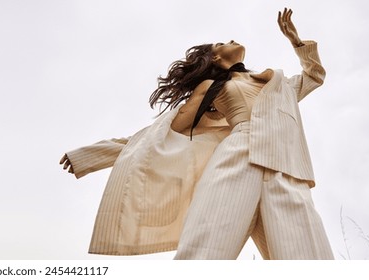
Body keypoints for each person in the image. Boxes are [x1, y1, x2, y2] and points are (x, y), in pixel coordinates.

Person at [60, 8, 333, 259]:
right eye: (221, 43)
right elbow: (160, 137)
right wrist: (90, 156)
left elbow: (313, 76)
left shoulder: (277, 83)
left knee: (306, 254)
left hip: (287, 169)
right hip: (236, 162)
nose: (231, 40)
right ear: (215, 57)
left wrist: (297, 42)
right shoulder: (212, 88)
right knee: (205, 249)